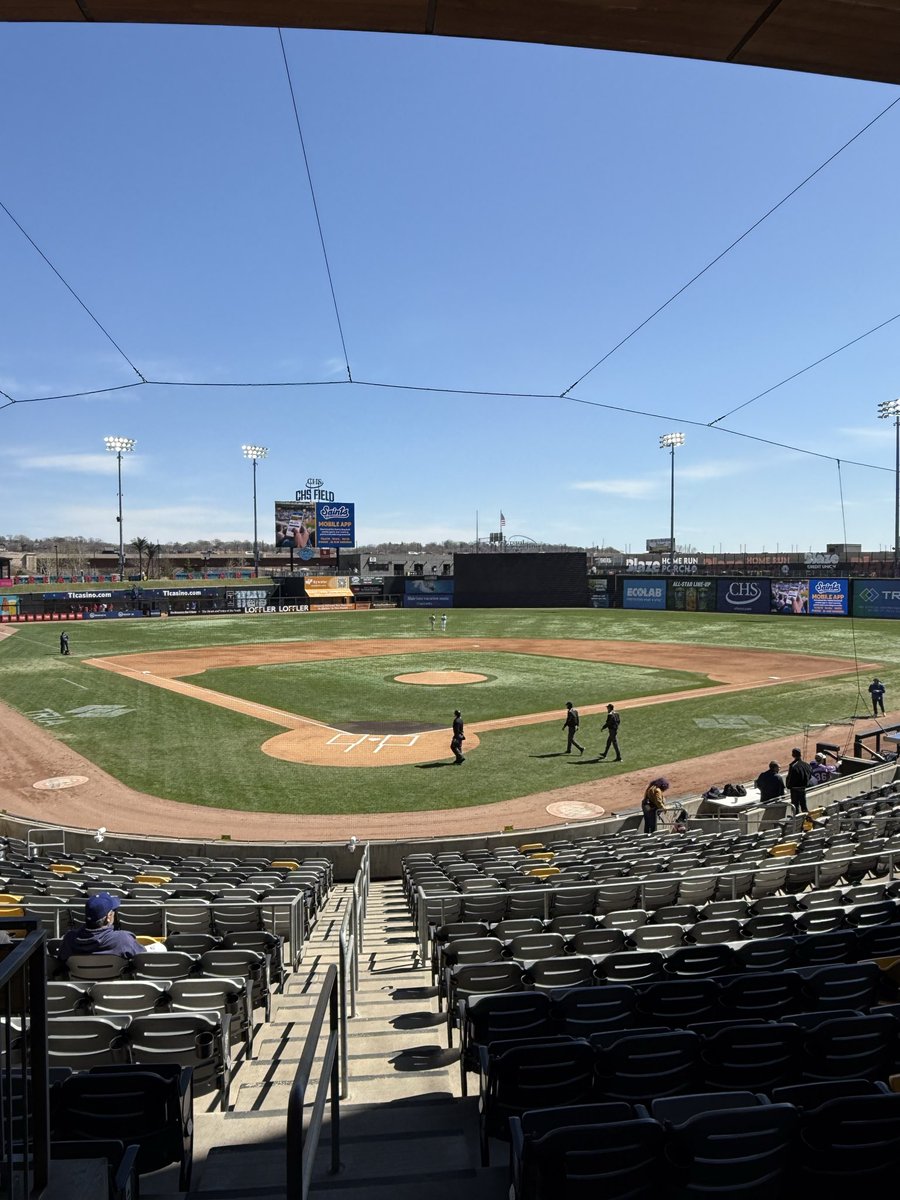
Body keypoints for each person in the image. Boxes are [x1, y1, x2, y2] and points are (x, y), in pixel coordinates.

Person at [57, 892, 141, 963]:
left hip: (78, 981)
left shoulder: (69, 939)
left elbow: (60, 962)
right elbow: (142, 957)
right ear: (108, 916)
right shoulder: (123, 939)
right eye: (113, 911)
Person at [786, 747, 812, 814]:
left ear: (793, 755)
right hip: (803, 789)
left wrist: (788, 786)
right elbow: (810, 776)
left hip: (795, 790)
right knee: (804, 807)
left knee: (795, 809)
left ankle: (797, 823)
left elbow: (790, 779)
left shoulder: (793, 766)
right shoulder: (807, 765)